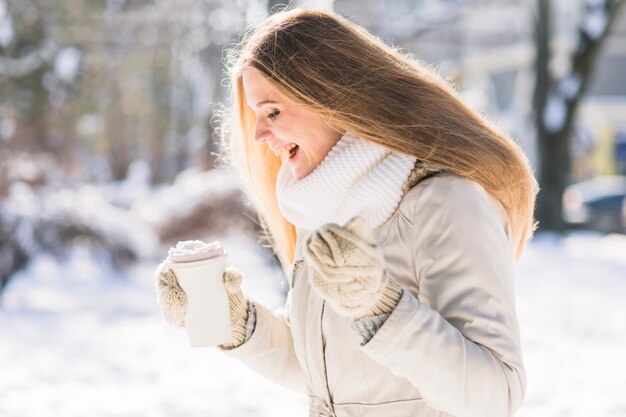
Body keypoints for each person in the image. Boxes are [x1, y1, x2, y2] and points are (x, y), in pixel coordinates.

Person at [156, 8, 537, 417]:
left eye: (273, 111)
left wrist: (379, 306)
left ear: (332, 98)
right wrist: (237, 322)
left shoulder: (447, 201)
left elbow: (497, 396)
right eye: (256, 116)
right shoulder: (320, 207)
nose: (259, 134)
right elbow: (327, 372)